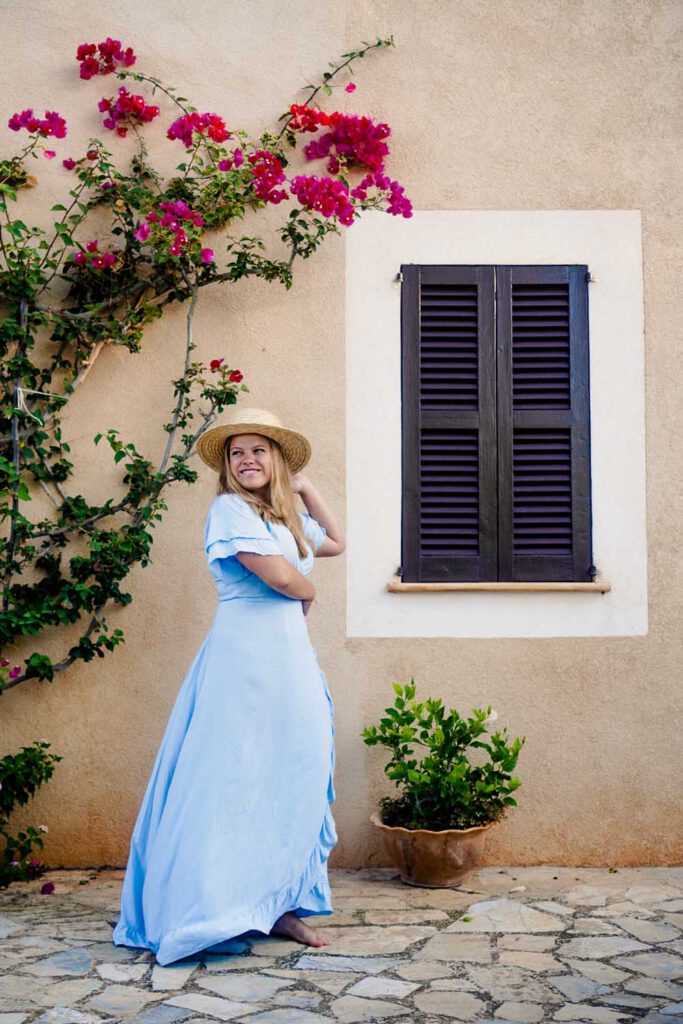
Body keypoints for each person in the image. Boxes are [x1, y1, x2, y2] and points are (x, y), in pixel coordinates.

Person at [112, 407, 345, 965]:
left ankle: (277, 904)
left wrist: (306, 489)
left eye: (259, 450)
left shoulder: (282, 517)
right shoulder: (228, 511)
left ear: (277, 460)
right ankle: (211, 907)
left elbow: (336, 542)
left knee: (289, 770)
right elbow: (279, 577)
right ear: (227, 467)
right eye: (237, 453)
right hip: (245, 660)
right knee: (232, 776)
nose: (247, 460)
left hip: (289, 660)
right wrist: (307, 591)